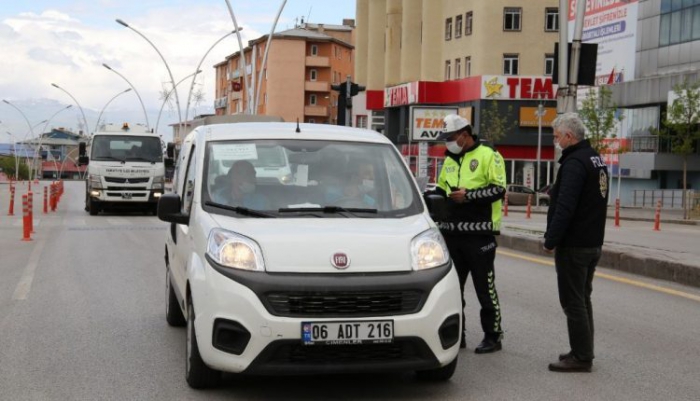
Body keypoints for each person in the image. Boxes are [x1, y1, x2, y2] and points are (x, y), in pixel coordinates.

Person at [433, 114, 507, 354]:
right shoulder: (450, 160)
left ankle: (493, 335)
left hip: (480, 235)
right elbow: (441, 190)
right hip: (451, 235)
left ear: (464, 135)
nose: (448, 142)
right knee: (453, 289)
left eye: (451, 137)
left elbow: (498, 189)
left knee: (484, 288)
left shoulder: (489, 155)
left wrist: (469, 196)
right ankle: (458, 334)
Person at [543, 112, 609, 373]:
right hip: (592, 242)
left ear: (569, 136)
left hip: (575, 245)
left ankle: (581, 357)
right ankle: (583, 350)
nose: (556, 141)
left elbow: (565, 208)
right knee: (583, 299)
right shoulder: (595, 159)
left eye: (557, 136)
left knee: (572, 301)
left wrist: (551, 240)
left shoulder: (574, 164)